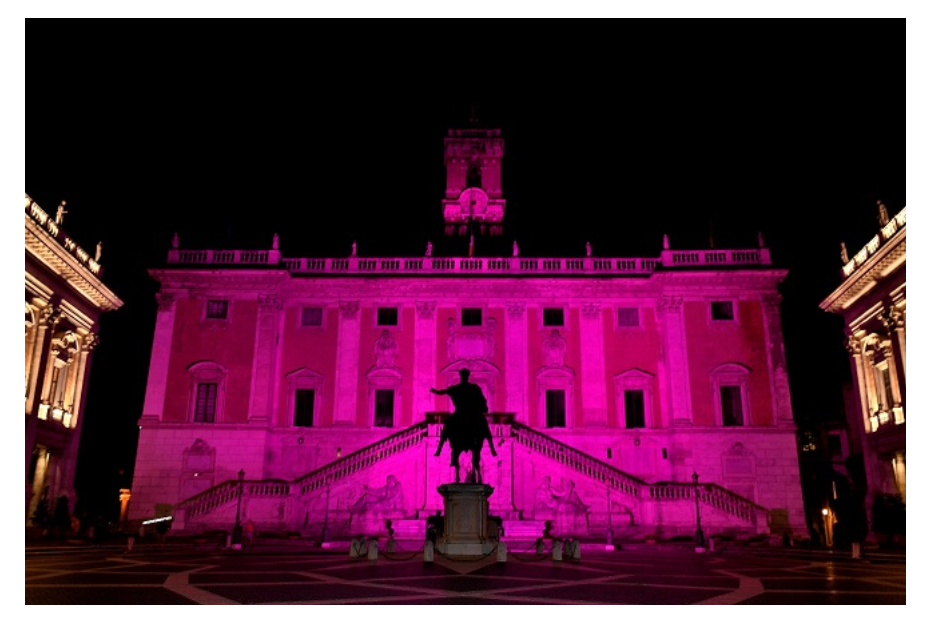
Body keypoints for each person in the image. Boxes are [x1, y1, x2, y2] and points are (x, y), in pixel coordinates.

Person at [430, 368, 497, 482]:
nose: (464, 377)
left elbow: (443, 392)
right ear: (465, 376)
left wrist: (435, 391)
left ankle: (439, 448)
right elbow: (482, 400)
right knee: (483, 425)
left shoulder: (459, 388)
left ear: (462, 376)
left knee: (449, 424)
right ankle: (492, 448)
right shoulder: (472, 388)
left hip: (461, 413)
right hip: (469, 413)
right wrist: (435, 391)